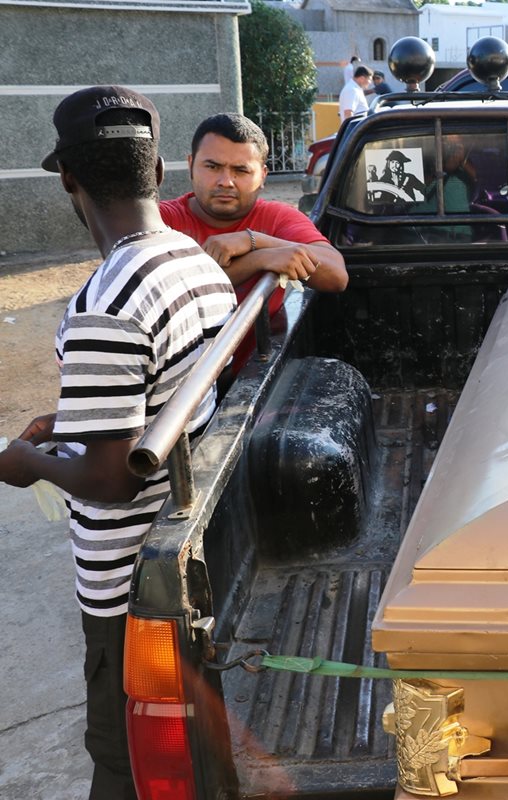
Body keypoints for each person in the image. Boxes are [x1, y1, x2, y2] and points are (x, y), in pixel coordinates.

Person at [0, 86, 237, 800]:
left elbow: (112, 479)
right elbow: (157, 396)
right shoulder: (193, 264)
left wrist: (21, 463)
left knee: (123, 759)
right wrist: (72, 419)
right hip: (190, 546)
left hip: (126, 581)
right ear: (160, 171)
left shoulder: (105, 301)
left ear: (68, 179)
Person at [159, 113, 348, 368]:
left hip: (248, 383)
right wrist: (260, 259)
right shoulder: (162, 220)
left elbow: (336, 276)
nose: (225, 181)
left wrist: (254, 240)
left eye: (241, 170)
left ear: (263, 176)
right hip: (174, 388)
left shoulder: (277, 217)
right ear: (191, 164)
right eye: (212, 167)